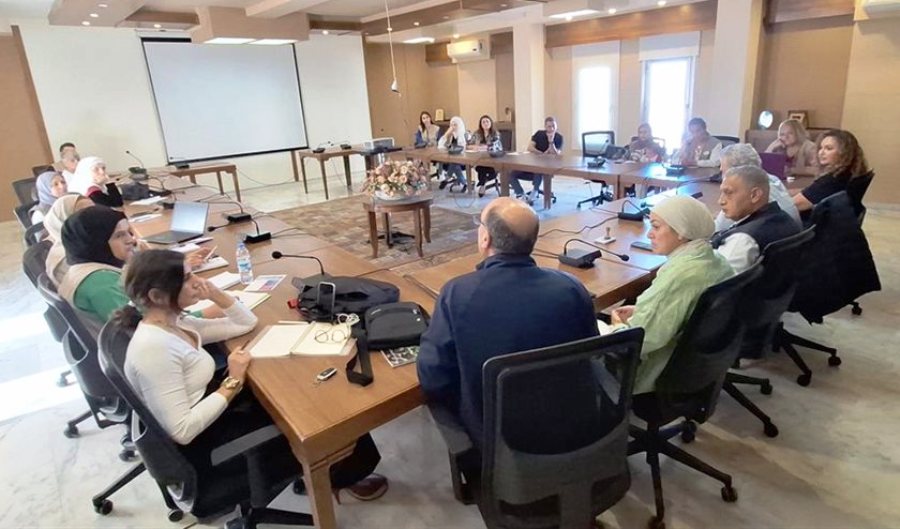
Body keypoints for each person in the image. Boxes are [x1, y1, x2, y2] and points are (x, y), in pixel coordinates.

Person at [119, 250, 387, 501]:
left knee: (303, 386)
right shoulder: (153, 349)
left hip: (216, 411)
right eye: (188, 278)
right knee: (320, 410)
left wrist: (216, 294)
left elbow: (245, 323)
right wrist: (232, 382)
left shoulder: (175, 324)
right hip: (210, 445)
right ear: (157, 296)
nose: (198, 281)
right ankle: (338, 474)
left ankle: (341, 469)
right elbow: (183, 431)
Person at [418, 197, 598, 446]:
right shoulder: (572, 287)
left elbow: (433, 377)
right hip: (574, 428)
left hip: (499, 441)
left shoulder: (457, 294)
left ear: (485, 238)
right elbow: (592, 353)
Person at [610, 196, 732, 394]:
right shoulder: (717, 260)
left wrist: (617, 326)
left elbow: (639, 341)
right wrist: (643, 310)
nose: (649, 234)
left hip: (656, 373)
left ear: (682, 231)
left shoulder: (679, 276)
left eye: (656, 227)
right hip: (697, 367)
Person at [57, 207, 211, 324]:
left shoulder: (84, 268)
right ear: (97, 242)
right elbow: (150, 327)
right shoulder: (100, 284)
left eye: (129, 232)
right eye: (119, 235)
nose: (131, 240)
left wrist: (176, 270)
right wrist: (208, 313)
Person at [711, 165, 801, 273]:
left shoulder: (741, 241)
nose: (721, 201)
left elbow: (717, 280)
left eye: (728, 193)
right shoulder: (784, 218)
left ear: (755, 195)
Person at [714, 143, 800, 230]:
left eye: (723, 171)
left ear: (737, 172)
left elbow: (715, 230)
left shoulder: (745, 194)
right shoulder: (772, 179)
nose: (721, 175)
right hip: (788, 234)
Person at [793, 129, 869, 214]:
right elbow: (812, 191)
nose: (821, 153)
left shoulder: (832, 181)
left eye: (828, 148)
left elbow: (792, 206)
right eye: (820, 148)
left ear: (844, 152)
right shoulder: (849, 174)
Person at [509, 116, 563, 205]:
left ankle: (535, 191)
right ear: (545, 127)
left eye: (554, 126)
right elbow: (530, 148)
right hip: (533, 163)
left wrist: (551, 142)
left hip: (547, 166)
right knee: (510, 174)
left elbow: (556, 154)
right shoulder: (539, 134)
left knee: (538, 169)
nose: (552, 128)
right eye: (549, 126)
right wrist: (542, 154)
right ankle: (520, 194)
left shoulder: (559, 137)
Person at [44, 194, 94, 286]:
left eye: (94, 211)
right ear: (64, 220)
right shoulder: (66, 260)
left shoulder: (89, 242)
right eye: (84, 214)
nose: (96, 217)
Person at [470, 114, 502, 197]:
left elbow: (495, 146)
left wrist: (484, 147)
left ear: (491, 123)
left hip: (493, 159)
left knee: (485, 169)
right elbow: (469, 145)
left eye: (487, 121)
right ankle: (483, 183)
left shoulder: (495, 134)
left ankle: (482, 184)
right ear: (480, 124)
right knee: (480, 167)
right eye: (483, 122)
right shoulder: (477, 133)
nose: (485, 123)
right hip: (480, 159)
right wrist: (475, 147)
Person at [437, 116, 471, 192]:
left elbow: (468, 148)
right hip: (450, 159)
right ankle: (464, 183)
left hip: (464, 160)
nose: (453, 127)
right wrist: (446, 134)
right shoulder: (450, 135)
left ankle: (447, 179)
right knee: (454, 164)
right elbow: (440, 146)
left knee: (455, 164)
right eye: (451, 125)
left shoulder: (466, 135)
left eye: (455, 125)